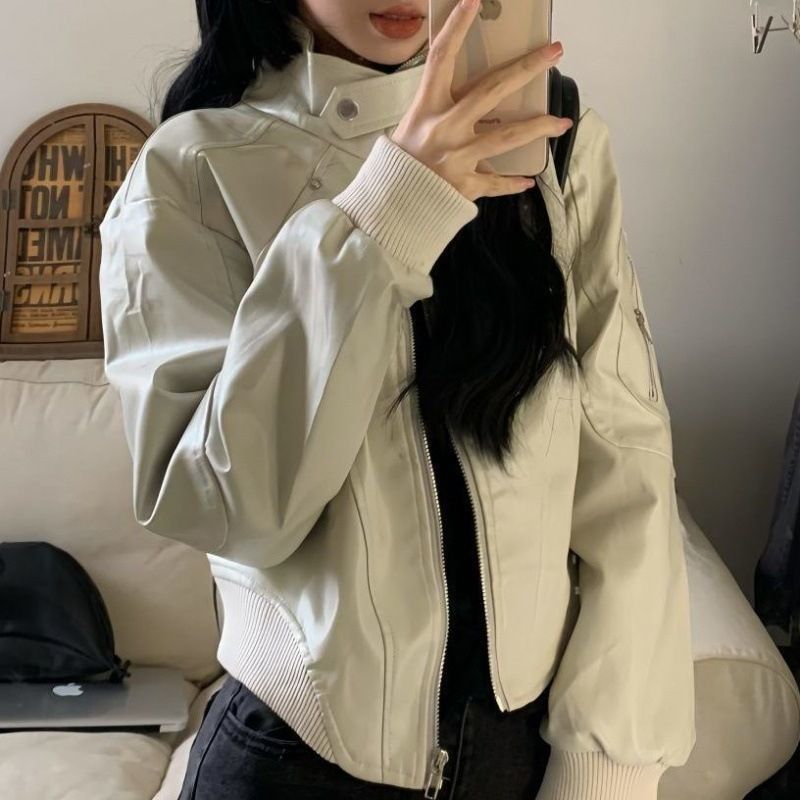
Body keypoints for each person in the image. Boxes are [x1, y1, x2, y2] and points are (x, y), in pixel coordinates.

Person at [97, 0, 697, 798]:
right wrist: (383, 215)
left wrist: (608, 772)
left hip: (517, 760)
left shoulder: (553, 142)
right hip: (292, 761)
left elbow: (627, 464)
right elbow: (234, 510)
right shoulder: (191, 170)